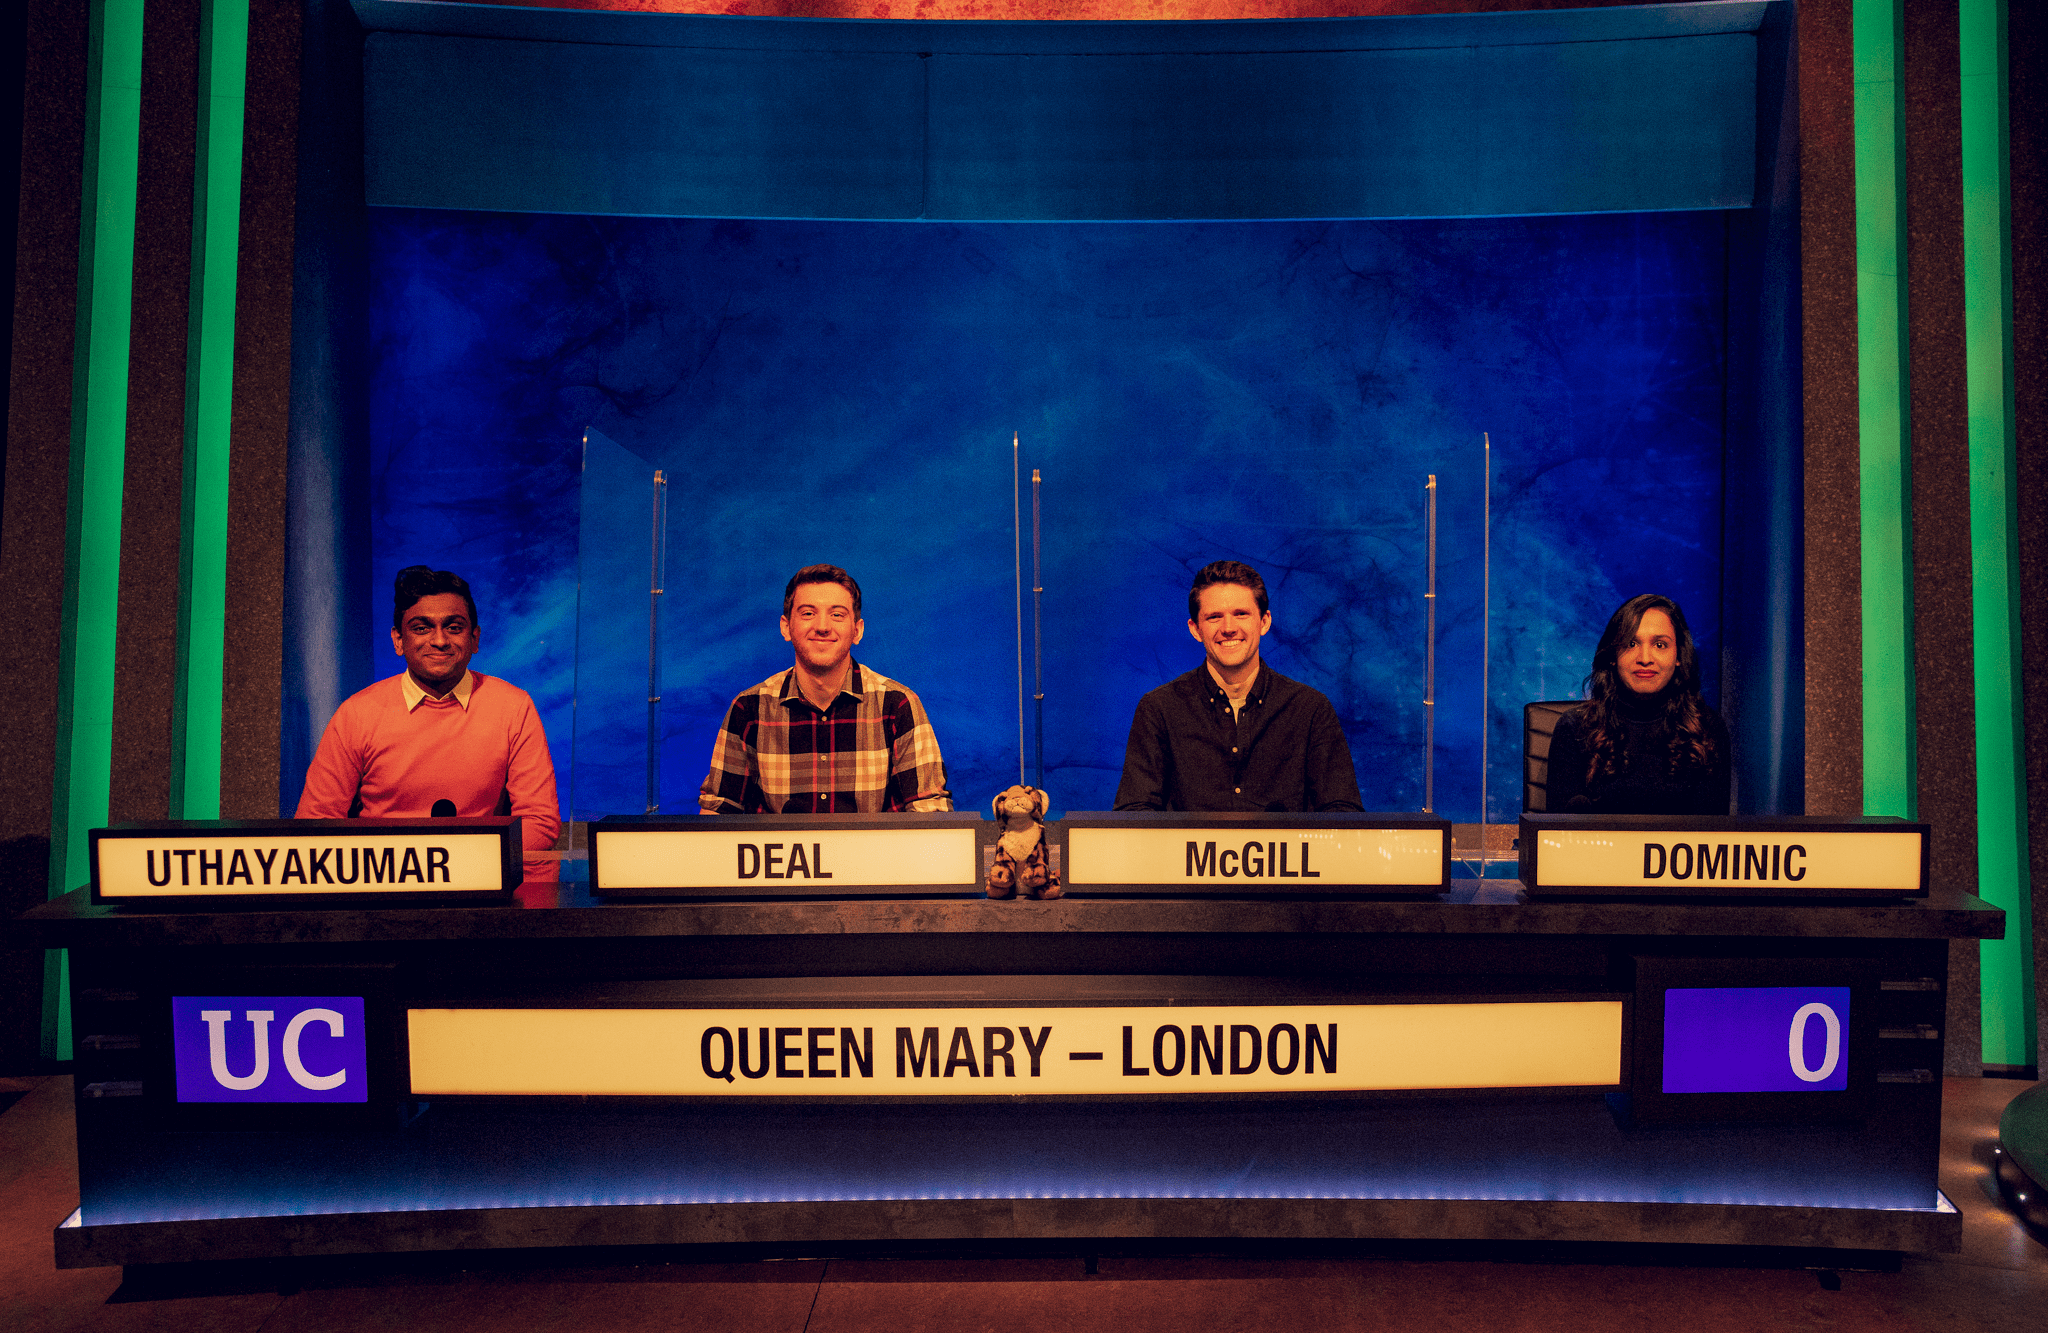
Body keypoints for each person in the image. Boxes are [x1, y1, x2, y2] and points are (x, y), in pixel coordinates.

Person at [296, 566, 562, 877]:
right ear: (398, 640)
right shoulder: (357, 713)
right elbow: (316, 824)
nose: (439, 640)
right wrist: (411, 870)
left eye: (453, 627)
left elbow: (539, 822)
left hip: (485, 885)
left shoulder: (513, 706)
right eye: (422, 628)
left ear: (475, 638)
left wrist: (457, 867)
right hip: (382, 888)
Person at [699, 564, 952, 814]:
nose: (822, 626)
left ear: (857, 630)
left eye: (837, 615)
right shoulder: (749, 709)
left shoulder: (898, 705)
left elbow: (931, 814)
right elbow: (717, 817)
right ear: (786, 627)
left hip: (873, 856)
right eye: (808, 613)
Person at [1114, 560, 1363, 812]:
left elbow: (1344, 817)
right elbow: (1134, 817)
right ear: (1195, 629)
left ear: (1264, 622)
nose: (1229, 628)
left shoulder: (1310, 710)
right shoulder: (1159, 710)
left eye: (1241, 614)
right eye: (1214, 617)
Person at [1543, 593, 1731, 815]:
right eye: (1631, 643)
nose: (1645, 658)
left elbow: (1711, 838)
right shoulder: (1575, 728)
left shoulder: (1707, 729)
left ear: (1678, 656)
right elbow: (1557, 838)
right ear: (1613, 655)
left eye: (1660, 645)